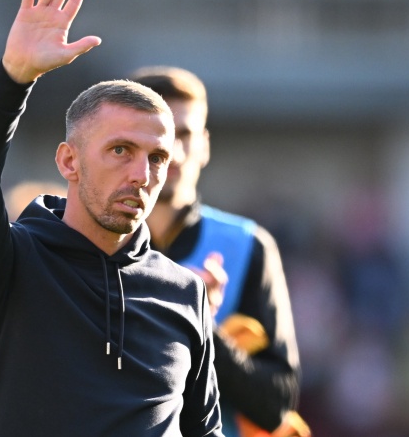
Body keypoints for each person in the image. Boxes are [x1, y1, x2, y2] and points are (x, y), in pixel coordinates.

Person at [0, 0, 223, 436]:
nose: (142, 174)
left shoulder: (184, 292)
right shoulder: (7, 264)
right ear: (69, 162)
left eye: (157, 157)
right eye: (121, 150)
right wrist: (12, 80)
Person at [129, 66, 307, 437]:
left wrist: (202, 326)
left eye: (184, 134)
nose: (173, 152)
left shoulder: (248, 245)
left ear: (205, 145)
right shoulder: (91, 243)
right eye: (158, 135)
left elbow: (277, 403)